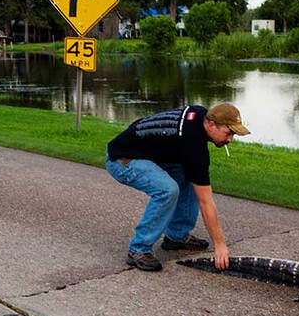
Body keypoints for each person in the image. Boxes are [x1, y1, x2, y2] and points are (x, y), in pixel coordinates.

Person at [105, 102, 249, 272]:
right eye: (229, 133)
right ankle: (138, 250)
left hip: (148, 154)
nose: (230, 139)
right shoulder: (193, 143)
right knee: (167, 190)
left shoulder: (201, 115)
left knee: (190, 175)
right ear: (211, 125)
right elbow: (206, 201)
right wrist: (220, 245)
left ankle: (177, 236)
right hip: (122, 159)